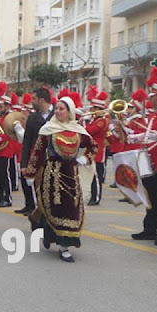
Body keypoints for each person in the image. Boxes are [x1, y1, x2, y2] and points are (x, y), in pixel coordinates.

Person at [22, 96, 98, 262]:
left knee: (71, 208)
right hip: (52, 174)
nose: (57, 111)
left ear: (69, 112)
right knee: (54, 206)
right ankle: (55, 240)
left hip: (71, 174)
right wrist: (30, 173)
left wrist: (85, 159)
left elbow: (93, 146)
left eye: (61, 109)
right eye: (56, 108)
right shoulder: (48, 129)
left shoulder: (78, 130)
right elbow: (37, 153)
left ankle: (61, 243)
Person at [128, 67, 157, 245]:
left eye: (152, 96)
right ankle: (150, 229)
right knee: (151, 199)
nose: (150, 99)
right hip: (151, 165)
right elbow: (148, 135)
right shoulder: (154, 115)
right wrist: (135, 137)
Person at [16, 87, 53, 215]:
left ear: (41, 100)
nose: (31, 101)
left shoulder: (56, 115)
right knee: (36, 187)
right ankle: (35, 209)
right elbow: (27, 142)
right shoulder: (32, 117)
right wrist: (24, 164)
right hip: (37, 158)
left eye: (34, 99)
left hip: (54, 159)